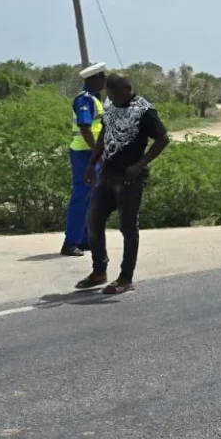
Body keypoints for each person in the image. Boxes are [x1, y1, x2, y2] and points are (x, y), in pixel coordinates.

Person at [75, 74, 169, 294]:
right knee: (93, 221)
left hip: (130, 177)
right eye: (110, 94)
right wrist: (92, 163)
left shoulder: (145, 111)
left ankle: (126, 278)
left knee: (128, 227)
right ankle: (99, 271)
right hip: (107, 173)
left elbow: (163, 139)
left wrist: (140, 164)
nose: (112, 98)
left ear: (128, 89)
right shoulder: (110, 106)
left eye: (116, 93)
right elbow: (104, 135)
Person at [61, 62, 107, 257]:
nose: (105, 80)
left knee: (91, 198)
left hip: (89, 153)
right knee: (81, 197)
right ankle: (70, 242)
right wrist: (98, 153)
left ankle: (84, 240)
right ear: (94, 78)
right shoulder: (84, 99)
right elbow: (85, 128)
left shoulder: (94, 99)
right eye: (102, 76)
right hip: (85, 154)